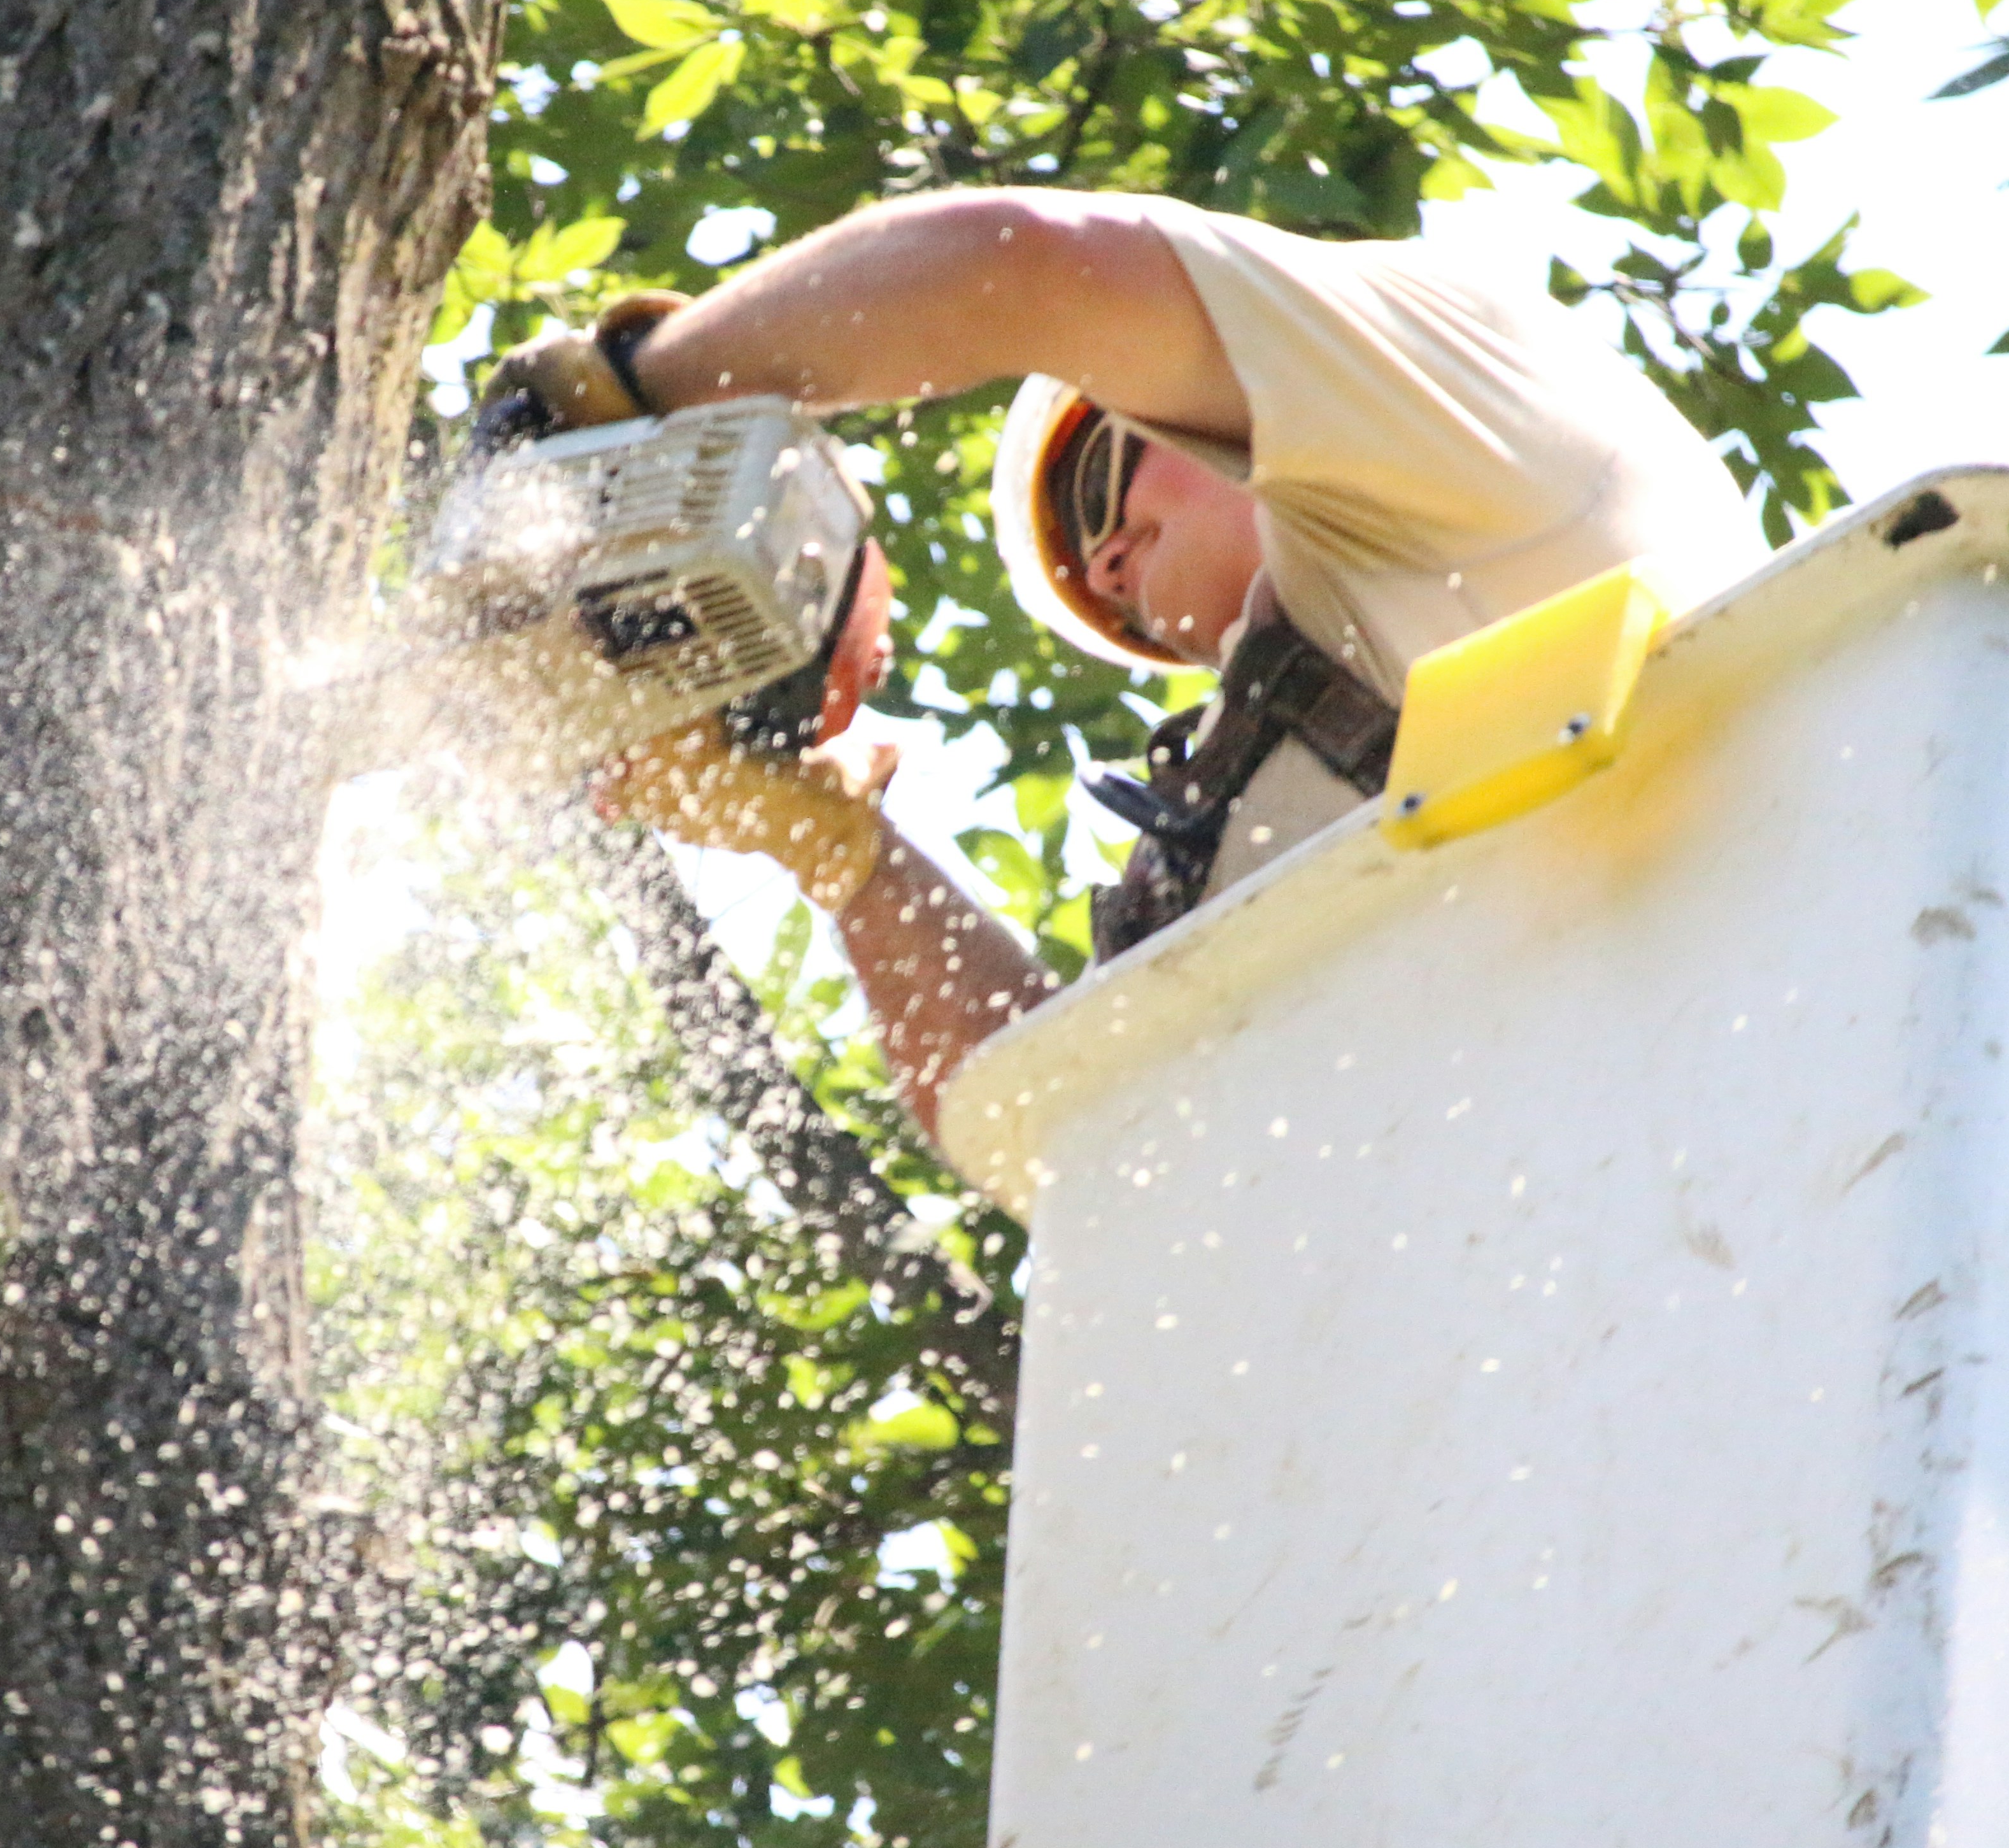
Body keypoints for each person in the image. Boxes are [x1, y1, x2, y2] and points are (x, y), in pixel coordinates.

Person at [490, 188, 1766, 1139]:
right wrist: (848, 858)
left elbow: (1034, 272)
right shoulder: (1258, 819)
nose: (1107, 568)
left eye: (1107, 474)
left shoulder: (1468, 406)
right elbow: (1063, 1134)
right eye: (1113, 605)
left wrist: (638, 398)